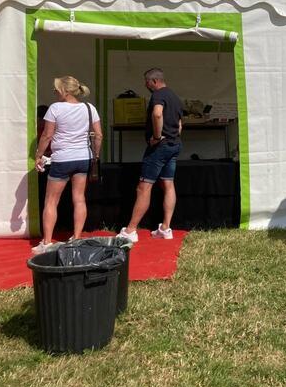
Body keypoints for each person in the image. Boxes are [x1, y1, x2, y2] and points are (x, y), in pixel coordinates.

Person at [32, 77, 102, 253]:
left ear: (65, 91)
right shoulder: (89, 108)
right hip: (83, 157)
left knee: (51, 201)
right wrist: (96, 155)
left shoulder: (55, 108)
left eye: (56, 90)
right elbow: (99, 135)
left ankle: (47, 242)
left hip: (62, 158)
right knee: (79, 198)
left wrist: (39, 155)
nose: (55, 93)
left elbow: (47, 135)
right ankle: (77, 237)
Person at [118, 68, 184, 242]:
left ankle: (131, 230)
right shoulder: (175, 96)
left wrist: (156, 136)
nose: (145, 85)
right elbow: (179, 125)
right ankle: (165, 228)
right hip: (174, 144)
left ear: (154, 81)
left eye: (146, 82)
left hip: (159, 147)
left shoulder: (158, 95)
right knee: (168, 184)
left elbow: (157, 113)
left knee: (144, 187)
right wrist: (171, 136)